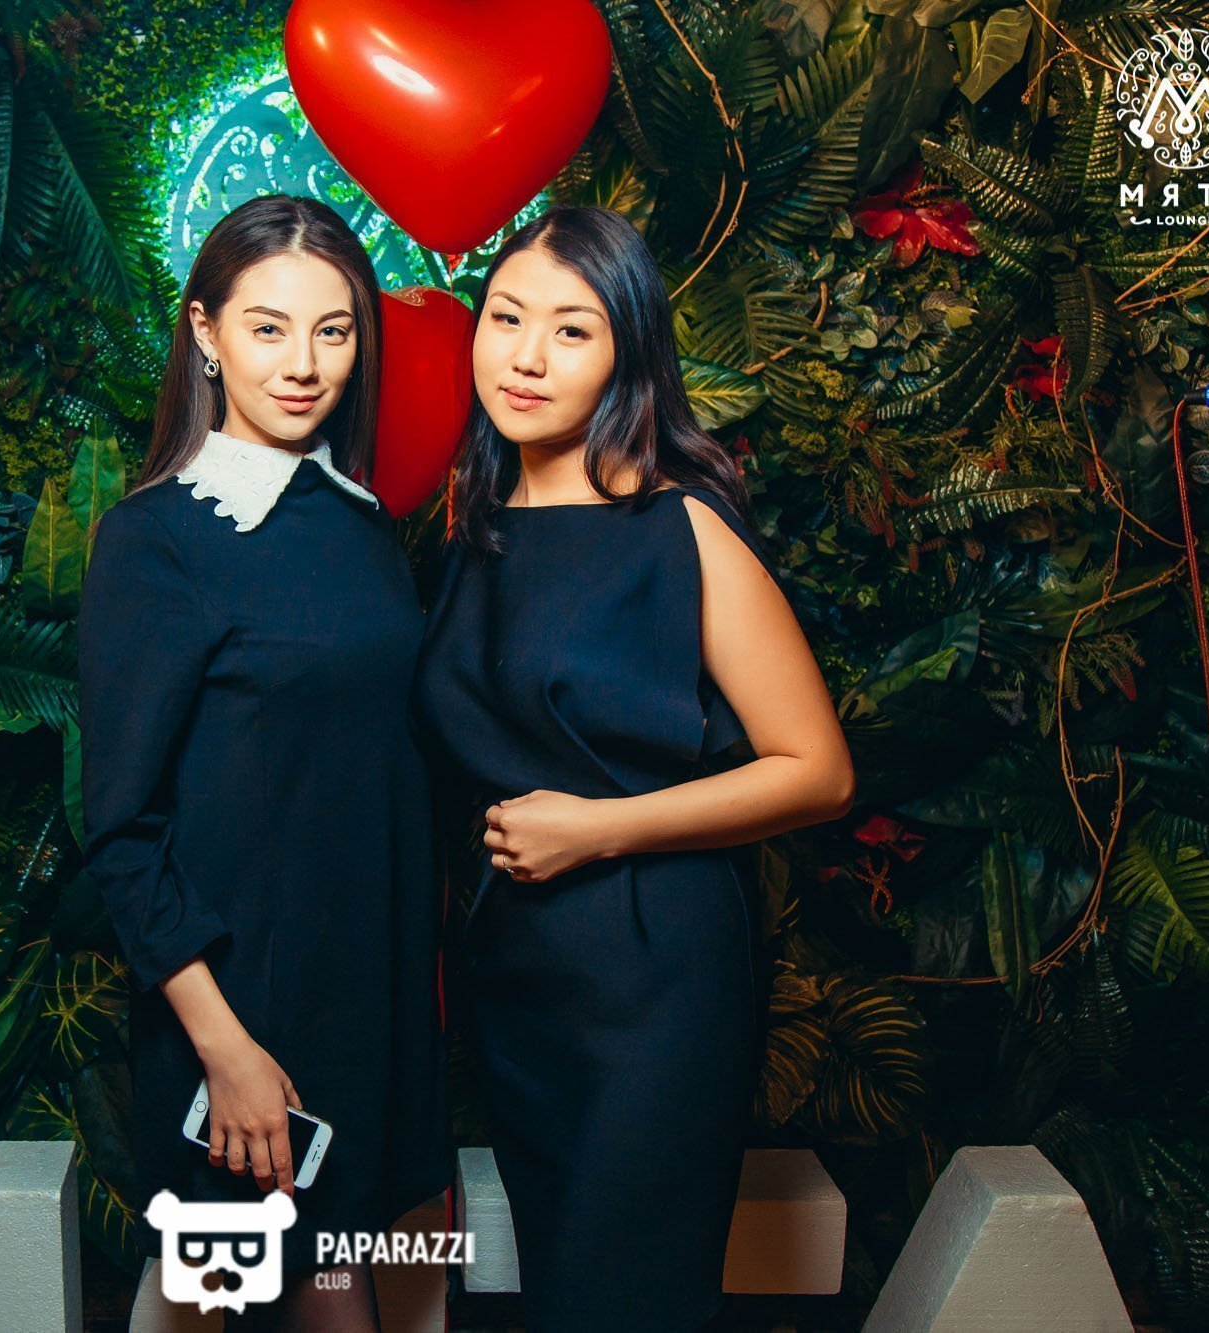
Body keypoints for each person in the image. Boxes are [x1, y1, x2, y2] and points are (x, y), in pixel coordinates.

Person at [411, 205, 856, 1330]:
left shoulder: (677, 528)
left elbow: (817, 770)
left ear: (628, 353)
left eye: (571, 330)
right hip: (519, 978)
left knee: (623, 1298)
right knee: (564, 1290)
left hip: (653, 975)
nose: (525, 356)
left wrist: (601, 825)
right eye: (506, 318)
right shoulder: (473, 523)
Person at [76, 194, 452, 1331]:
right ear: (205, 332)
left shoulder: (362, 523)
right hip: (235, 1020)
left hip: (362, 1006)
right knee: (232, 1305)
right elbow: (122, 835)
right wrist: (224, 1049)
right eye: (268, 327)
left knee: (341, 1297)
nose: (303, 365)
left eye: (333, 331)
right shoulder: (154, 539)